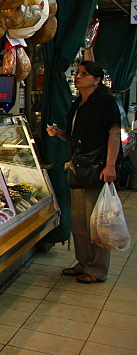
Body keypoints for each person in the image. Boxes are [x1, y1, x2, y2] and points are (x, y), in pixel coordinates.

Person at [47, 60, 122, 284]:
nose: (78, 77)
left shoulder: (106, 102)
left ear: (97, 80)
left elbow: (114, 134)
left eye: (84, 74)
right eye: (78, 73)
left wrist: (110, 166)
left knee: (97, 222)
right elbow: (74, 137)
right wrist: (58, 132)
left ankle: (98, 268)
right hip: (78, 168)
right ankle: (83, 261)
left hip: (97, 169)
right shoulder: (77, 102)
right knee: (79, 220)